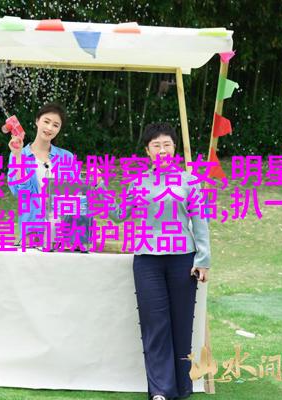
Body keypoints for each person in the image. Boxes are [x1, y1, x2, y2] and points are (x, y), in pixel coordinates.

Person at [111, 123, 210, 400]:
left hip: (182, 260)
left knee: (181, 324)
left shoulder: (190, 182)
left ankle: (183, 387)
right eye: (156, 145)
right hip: (147, 261)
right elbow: (118, 215)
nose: (162, 149)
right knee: (155, 325)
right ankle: (160, 390)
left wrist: (203, 259)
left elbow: (200, 221)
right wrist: (99, 189)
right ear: (148, 151)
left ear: (174, 148)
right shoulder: (138, 184)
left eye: (167, 144)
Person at [6, 103, 80, 245]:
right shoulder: (19, 154)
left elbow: (76, 195)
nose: (49, 128)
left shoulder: (67, 157)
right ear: (37, 121)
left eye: (55, 125)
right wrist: (18, 155)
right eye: (46, 121)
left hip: (61, 232)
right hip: (32, 231)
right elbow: (21, 193)